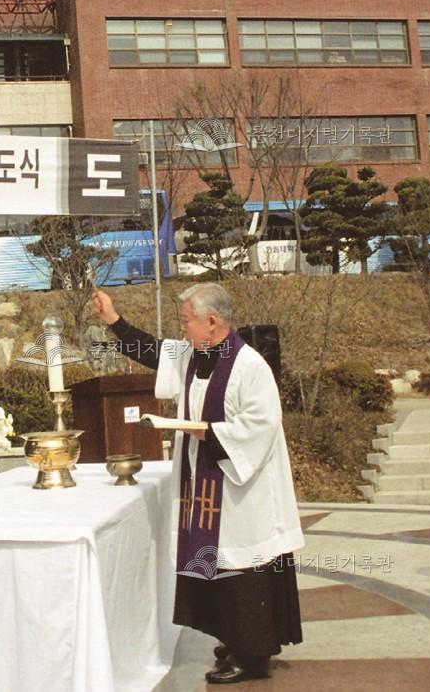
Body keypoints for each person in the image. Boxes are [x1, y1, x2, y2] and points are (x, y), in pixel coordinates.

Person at [92, 283, 303, 684]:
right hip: (207, 486)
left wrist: (206, 431)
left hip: (242, 491)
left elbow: (261, 425)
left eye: (186, 320)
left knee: (242, 569)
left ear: (212, 321)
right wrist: (113, 321)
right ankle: (231, 640)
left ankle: (253, 655)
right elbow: (154, 351)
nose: (181, 328)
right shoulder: (195, 352)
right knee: (217, 567)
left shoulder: (249, 365)